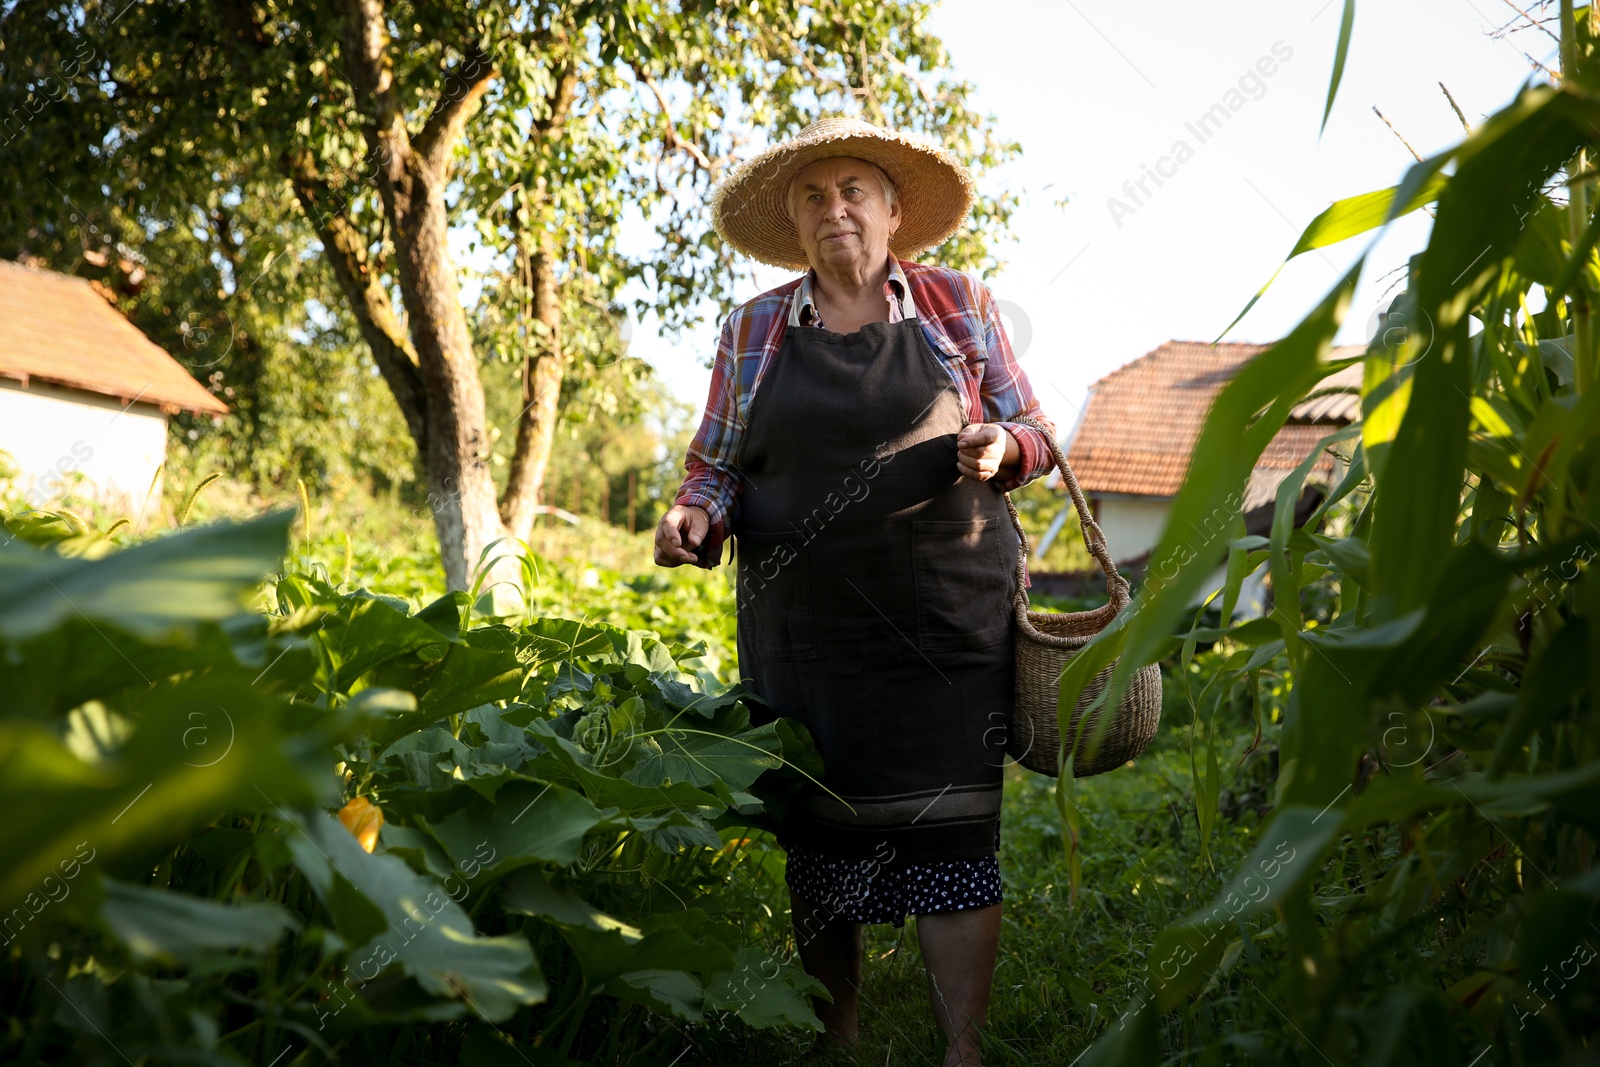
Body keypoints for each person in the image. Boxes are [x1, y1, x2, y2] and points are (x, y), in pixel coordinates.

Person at [653, 116, 1055, 1067]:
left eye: (853, 191)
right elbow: (714, 467)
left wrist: (1002, 450)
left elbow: (1036, 430)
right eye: (813, 195)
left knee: (956, 837)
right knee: (822, 845)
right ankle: (838, 1042)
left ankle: (964, 1051)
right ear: (794, 222)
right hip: (808, 637)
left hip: (949, 630)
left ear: (893, 210)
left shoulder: (961, 305)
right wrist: (693, 520)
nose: (835, 209)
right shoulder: (752, 327)